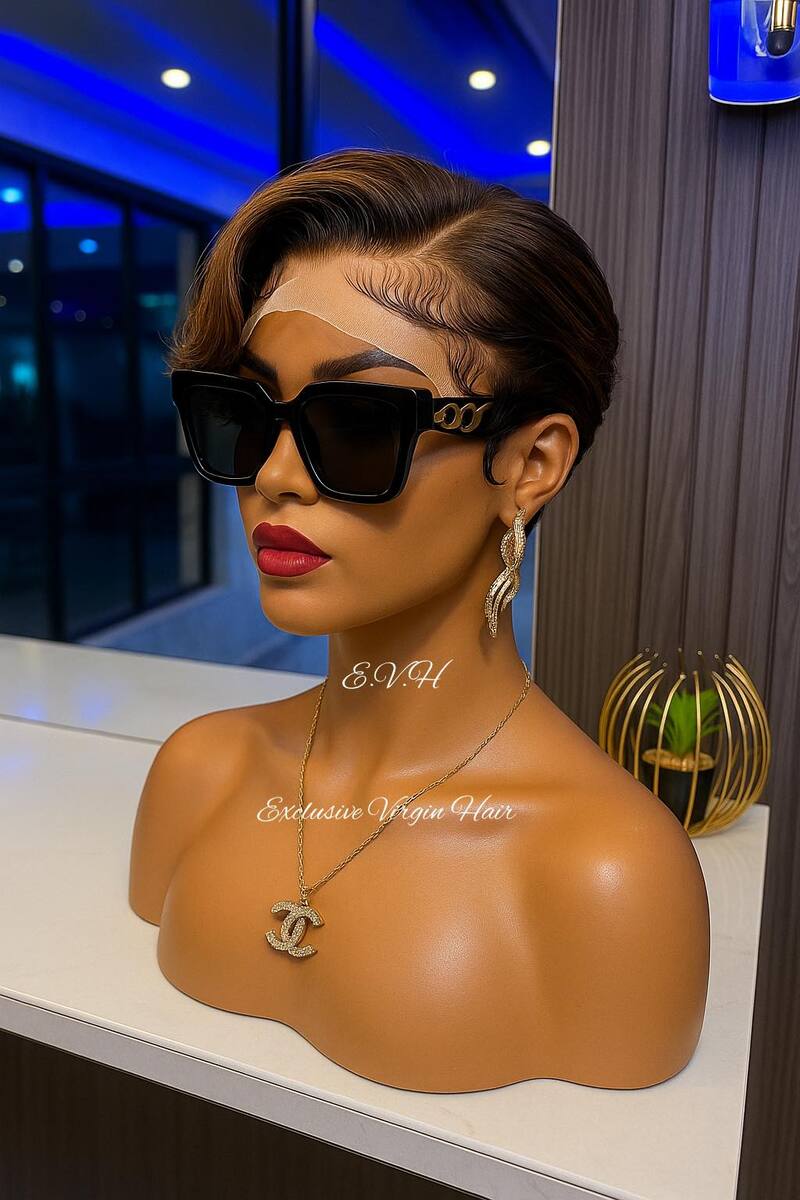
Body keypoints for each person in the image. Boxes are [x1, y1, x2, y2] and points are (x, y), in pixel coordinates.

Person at [129, 149, 710, 1093]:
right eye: (243, 412)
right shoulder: (201, 772)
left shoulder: (609, 875)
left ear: (530, 466)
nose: (274, 475)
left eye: (361, 424)